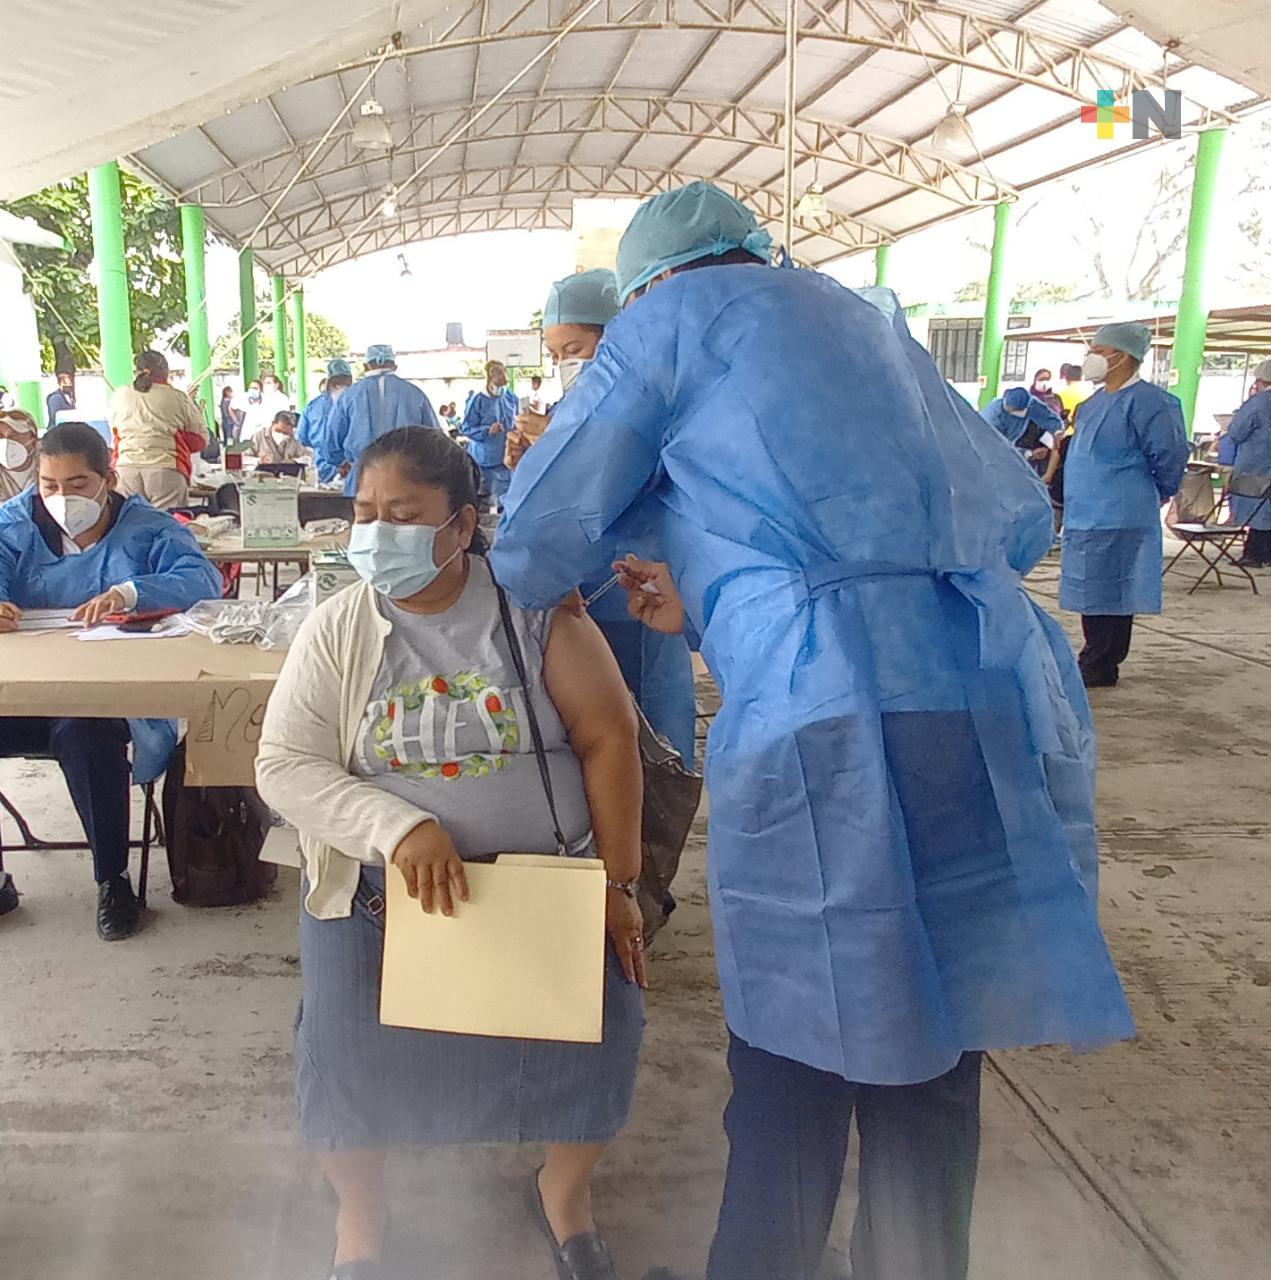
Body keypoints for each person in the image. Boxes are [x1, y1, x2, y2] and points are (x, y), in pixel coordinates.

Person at [492, 181, 1134, 1280]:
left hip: (825, 713)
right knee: (936, 1029)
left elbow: (538, 539)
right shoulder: (855, 313)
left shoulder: (666, 323)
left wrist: (765, 607)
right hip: (979, 694)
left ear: (645, 283)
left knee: (801, 1039)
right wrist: (721, 594)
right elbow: (1004, 517)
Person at [255, 426, 645, 1280]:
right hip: (376, 895)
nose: (376, 534)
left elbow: (609, 738)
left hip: (539, 889)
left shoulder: (534, 613)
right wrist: (400, 827)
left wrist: (617, 886)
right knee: (344, 1051)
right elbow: (284, 765)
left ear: (462, 526)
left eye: (403, 514)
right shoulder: (338, 628)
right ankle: (361, 1217)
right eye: (364, 513)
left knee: (600, 1032)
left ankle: (565, 1196)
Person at [0, 422, 222, 938]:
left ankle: (113, 880)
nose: (61, 498)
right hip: (26, 691)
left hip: (106, 697)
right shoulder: (12, 524)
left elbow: (202, 578)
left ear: (109, 478)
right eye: (49, 486)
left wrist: (130, 593)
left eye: (78, 485)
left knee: (85, 731)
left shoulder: (148, 526)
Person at [505, 267, 697, 765]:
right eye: (555, 356)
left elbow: (611, 475)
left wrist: (531, 571)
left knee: (645, 746)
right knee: (595, 737)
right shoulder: (586, 397)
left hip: (634, 584)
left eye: (573, 350)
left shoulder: (641, 391)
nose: (566, 365)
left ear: (615, 333)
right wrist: (533, 463)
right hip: (588, 588)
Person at [1061, 322, 1188, 688]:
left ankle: (1102, 661)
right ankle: (1093, 654)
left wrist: (1162, 489)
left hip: (1122, 511)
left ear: (1124, 356)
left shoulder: (1152, 404)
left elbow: (1169, 453)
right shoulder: (1090, 405)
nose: (1093, 359)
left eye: (1101, 351)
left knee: (1115, 591)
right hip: (1086, 512)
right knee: (1090, 590)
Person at [326, 344, 441, 496]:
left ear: (366, 365)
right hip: (406, 479)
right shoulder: (415, 394)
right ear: (394, 365)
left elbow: (331, 441)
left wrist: (343, 463)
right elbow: (435, 440)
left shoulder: (349, 396)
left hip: (363, 479)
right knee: (402, 517)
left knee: (364, 516)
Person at [111, 350, 208, 510]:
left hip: (125, 470)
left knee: (130, 526)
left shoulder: (119, 395)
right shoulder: (177, 397)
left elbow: (116, 436)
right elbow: (200, 440)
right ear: (166, 372)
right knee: (167, 527)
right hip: (166, 470)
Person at [1226, 357, 1271, 566]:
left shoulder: (1259, 402)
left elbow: (1236, 432)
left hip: (1258, 462)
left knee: (1258, 507)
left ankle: (1254, 554)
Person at [462, 360, 519, 510]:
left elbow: (518, 420)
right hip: (484, 461)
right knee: (484, 504)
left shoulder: (510, 398)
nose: (503, 375)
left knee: (506, 503)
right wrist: (487, 430)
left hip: (507, 459)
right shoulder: (478, 399)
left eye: (503, 371)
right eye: (497, 372)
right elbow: (466, 428)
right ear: (489, 376)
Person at [981, 386, 1062, 481]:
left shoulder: (1031, 404)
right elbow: (997, 450)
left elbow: (1048, 418)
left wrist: (1058, 432)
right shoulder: (993, 418)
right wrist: (1028, 454)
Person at [297, 358, 354, 483]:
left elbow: (303, 437)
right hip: (352, 468)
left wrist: (322, 447)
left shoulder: (313, 406)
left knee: (323, 499)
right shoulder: (358, 403)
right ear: (350, 379)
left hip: (323, 467)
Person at [0, 408, 39, 502]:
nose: (6, 442)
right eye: (0, 436)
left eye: (14, 436)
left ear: (34, 442)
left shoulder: (49, 469)